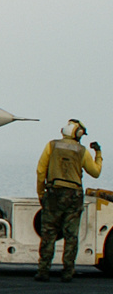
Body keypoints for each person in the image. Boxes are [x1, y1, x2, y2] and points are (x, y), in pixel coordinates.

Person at [35, 119, 103, 282]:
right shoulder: (82, 150)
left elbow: (40, 170)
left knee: (49, 234)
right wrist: (98, 154)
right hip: (74, 196)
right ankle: (68, 271)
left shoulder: (52, 146)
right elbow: (95, 172)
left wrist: (41, 193)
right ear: (78, 133)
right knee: (71, 235)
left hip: (53, 194)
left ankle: (43, 270)